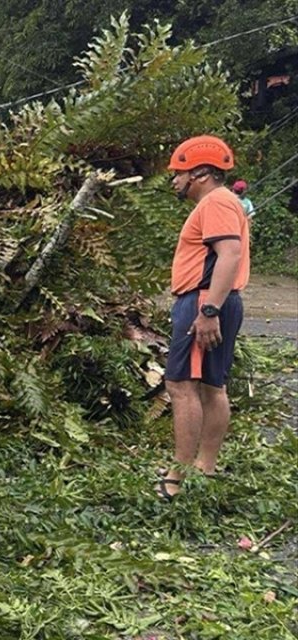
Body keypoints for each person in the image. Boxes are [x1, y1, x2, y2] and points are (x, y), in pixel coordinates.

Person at [157, 135, 251, 500]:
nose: (175, 180)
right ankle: (204, 468)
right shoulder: (224, 202)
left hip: (203, 299)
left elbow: (229, 254)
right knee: (213, 386)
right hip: (216, 299)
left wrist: (209, 310)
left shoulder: (216, 202)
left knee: (181, 386)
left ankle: (177, 477)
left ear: (200, 173)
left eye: (179, 173)